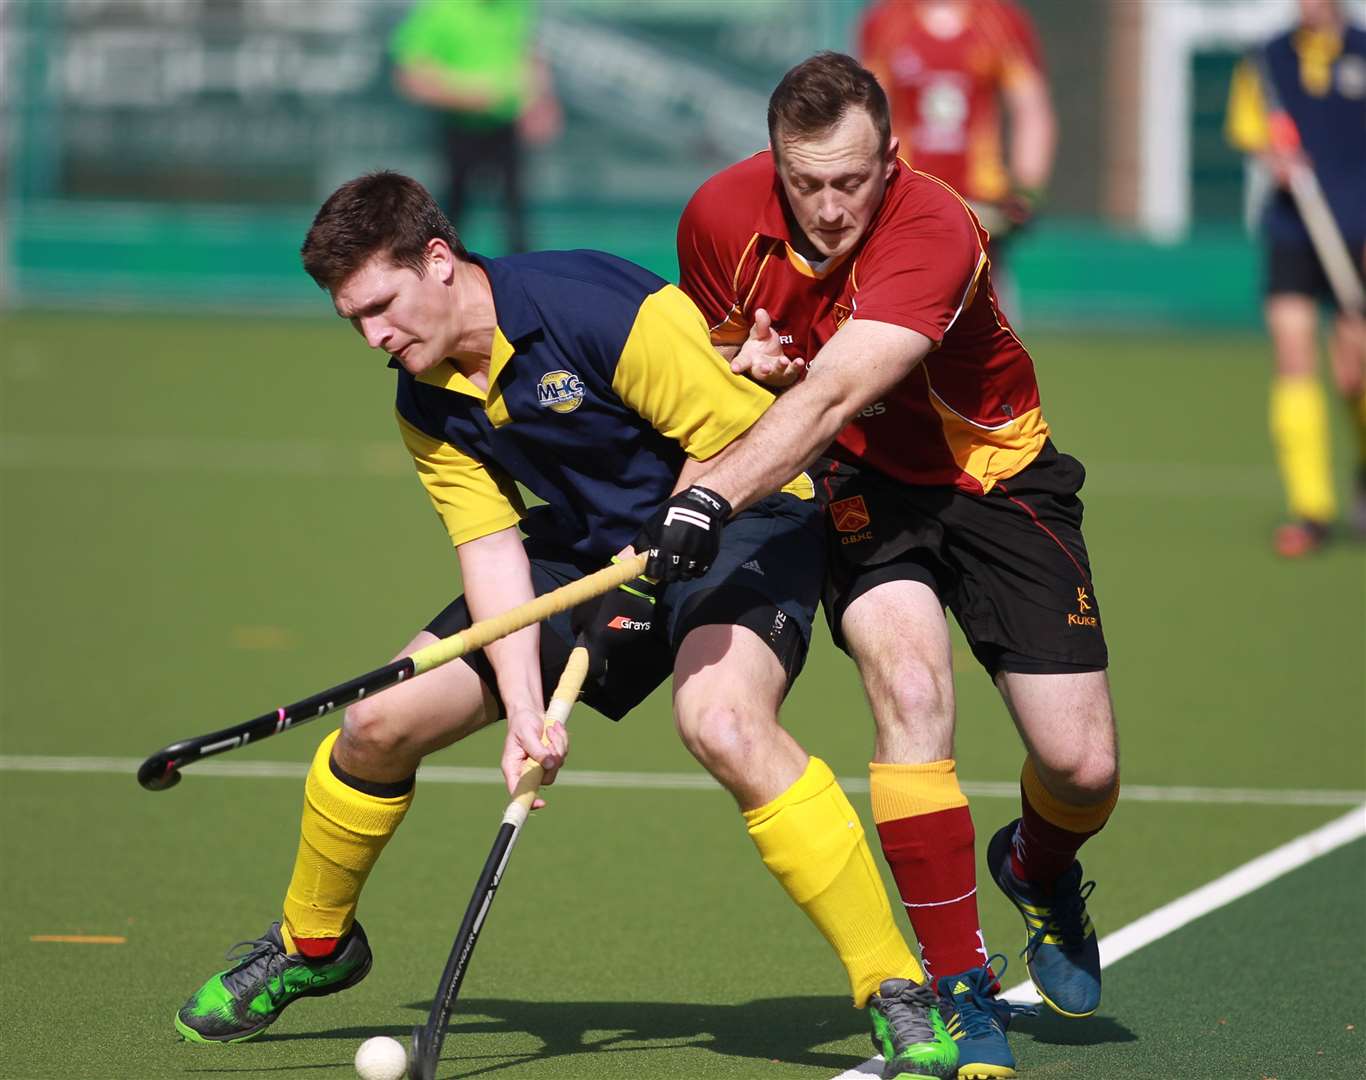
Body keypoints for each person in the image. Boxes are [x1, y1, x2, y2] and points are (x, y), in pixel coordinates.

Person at [173, 171, 961, 1080]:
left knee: (725, 723)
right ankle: (315, 943)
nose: (375, 336)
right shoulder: (424, 397)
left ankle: (895, 984)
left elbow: (731, 439)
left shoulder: (590, 310)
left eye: (381, 307)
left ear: (438, 260)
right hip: (591, 547)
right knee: (378, 721)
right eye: (353, 321)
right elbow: (494, 554)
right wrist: (522, 713)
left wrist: (655, 567)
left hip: (748, 507)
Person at [635, 52, 1119, 1080]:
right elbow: (711, 375)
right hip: (861, 489)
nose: (826, 208)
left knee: (1081, 766)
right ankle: (959, 988)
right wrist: (735, 374)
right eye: (803, 183)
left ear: (890, 163)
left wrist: (709, 498)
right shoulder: (718, 218)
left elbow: (831, 393)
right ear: (774, 165)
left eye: (849, 182)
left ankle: (1037, 867)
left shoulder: (935, 226)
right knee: (907, 683)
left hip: (994, 476)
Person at [1225, 0, 1366, 557]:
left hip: (1357, 231)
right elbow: (1250, 127)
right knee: (1293, 349)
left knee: (1354, 373)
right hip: (1292, 226)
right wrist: (1273, 156)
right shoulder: (1266, 59)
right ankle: (1311, 509)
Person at [859, 0, 1056, 310]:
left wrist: (1026, 189)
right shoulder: (886, 20)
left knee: (990, 326)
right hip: (905, 197)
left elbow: (1031, 109)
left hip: (980, 202)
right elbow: (864, 110)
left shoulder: (999, 19)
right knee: (902, 317)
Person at [391, 0, 561, 253]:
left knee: (516, 213)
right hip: (457, 126)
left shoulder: (515, 7)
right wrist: (466, 96)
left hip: (506, 125)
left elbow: (530, 55)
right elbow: (410, 75)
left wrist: (540, 100)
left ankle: (523, 280)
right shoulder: (440, 10)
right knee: (452, 211)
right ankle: (436, 274)